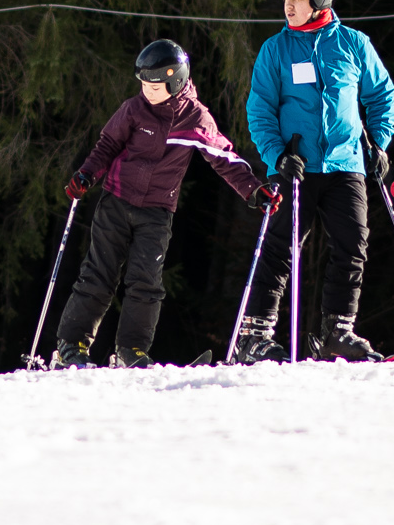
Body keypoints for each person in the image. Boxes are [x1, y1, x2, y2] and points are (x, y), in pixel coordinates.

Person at [53, 39, 274, 368]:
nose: (147, 91)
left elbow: (223, 157)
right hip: (116, 201)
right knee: (99, 274)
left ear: (176, 80)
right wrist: (86, 175)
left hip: (157, 212)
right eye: (143, 84)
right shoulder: (133, 109)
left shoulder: (195, 118)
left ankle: (131, 351)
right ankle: (71, 347)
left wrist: (253, 190)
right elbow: (107, 145)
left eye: (154, 86)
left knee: (146, 282)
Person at [236, 0, 394, 363]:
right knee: (280, 248)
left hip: (346, 164)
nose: (289, 5)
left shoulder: (354, 43)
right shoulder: (276, 48)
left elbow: (382, 96)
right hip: (296, 167)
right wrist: (277, 156)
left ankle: (337, 332)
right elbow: (259, 111)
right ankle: (254, 336)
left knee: (352, 244)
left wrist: (377, 143)